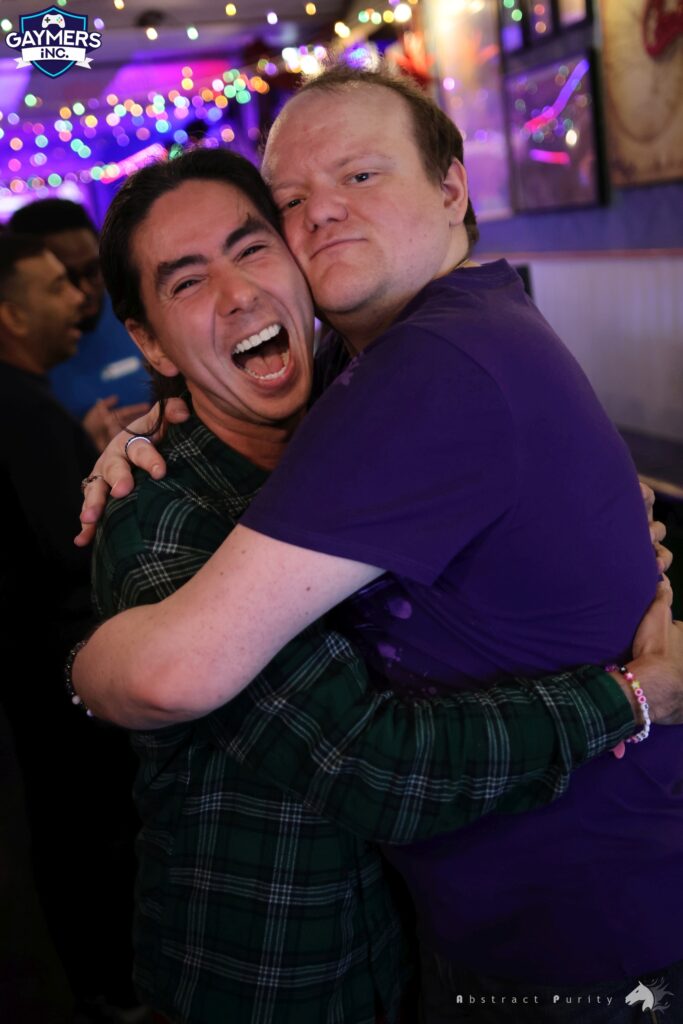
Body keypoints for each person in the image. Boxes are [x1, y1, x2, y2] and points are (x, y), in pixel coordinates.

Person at [74, 66, 683, 1020]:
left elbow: (181, 677)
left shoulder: (411, 369)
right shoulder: (190, 493)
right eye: (291, 201)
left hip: (570, 926)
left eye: (359, 175)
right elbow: (366, 763)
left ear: (451, 188)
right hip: (279, 966)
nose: (320, 213)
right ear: (151, 343)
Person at [0, 234, 139, 1019]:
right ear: (11, 315)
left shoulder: (32, 398)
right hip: (55, 679)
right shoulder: (21, 408)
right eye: (57, 286)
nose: (78, 299)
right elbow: (68, 545)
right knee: (86, 837)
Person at [9, 198, 150, 450]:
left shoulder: (137, 308)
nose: (82, 293)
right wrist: (82, 445)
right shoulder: (18, 363)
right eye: (62, 282)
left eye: (92, 271)